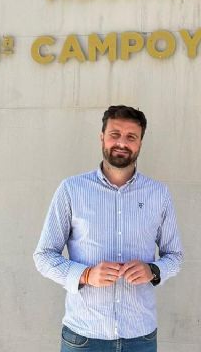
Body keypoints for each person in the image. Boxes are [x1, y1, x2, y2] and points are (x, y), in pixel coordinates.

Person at [33, 105, 183, 352]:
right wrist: (86, 275)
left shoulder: (159, 194)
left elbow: (175, 257)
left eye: (131, 137)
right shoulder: (72, 190)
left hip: (140, 337)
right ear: (102, 137)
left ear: (140, 144)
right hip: (84, 337)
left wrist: (153, 270)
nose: (121, 143)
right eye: (115, 134)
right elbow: (44, 256)